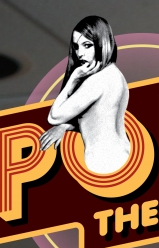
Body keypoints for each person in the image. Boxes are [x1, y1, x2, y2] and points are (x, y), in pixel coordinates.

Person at [40, 16, 130, 175]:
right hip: (122, 153)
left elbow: (54, 117)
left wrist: (73, 79)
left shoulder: (97, 80)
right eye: (76, 46)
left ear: (102, 43)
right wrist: (66, 126)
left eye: (87, 45)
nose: (80, 53)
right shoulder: (116, 75)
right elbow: (99, 121)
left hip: (103, 160)